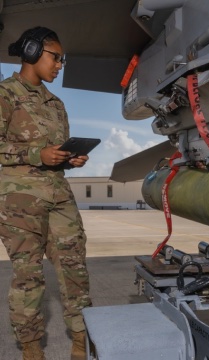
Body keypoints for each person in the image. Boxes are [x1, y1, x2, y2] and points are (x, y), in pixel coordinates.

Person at [0, 27, 92, 360]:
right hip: (20, 201)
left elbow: (54, 152)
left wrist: (71, 158)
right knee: (29, 275)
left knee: (74, 267)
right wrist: (37, 154)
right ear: (32, 50)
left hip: (59, 195)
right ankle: (31, 349)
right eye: (56, 57)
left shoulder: (57, 104)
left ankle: (82, 340)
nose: (60, 65)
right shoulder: (6, 93)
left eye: (62, 59)